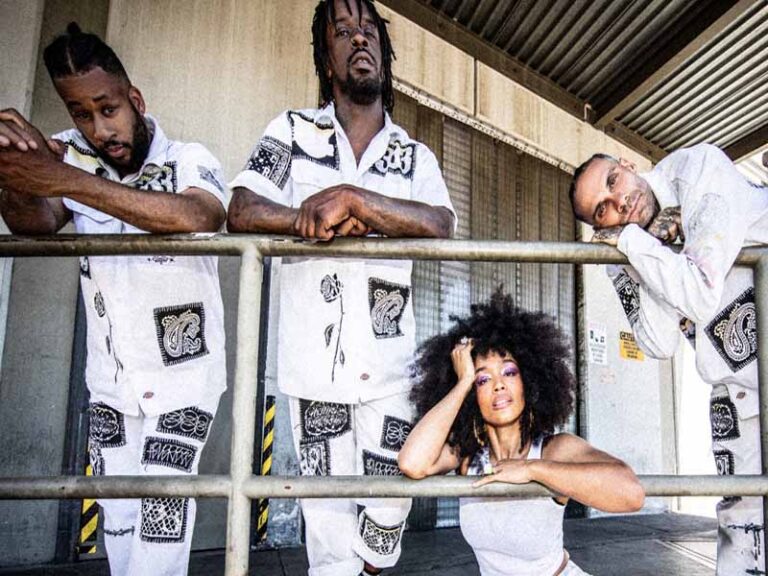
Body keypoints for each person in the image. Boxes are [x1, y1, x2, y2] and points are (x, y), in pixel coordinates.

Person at [226, 0, 455, 573]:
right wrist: (307, 218)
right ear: (326, 59)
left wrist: (356, 201)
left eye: (369, 30)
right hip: (313, 373)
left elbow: (439, 223)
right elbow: (242, 209)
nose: (359, 40)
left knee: (390, 506)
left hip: (391, 370)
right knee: (327, 531)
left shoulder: (413, 155)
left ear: (384, 51)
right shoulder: (291, 131)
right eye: (344, 32)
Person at [0, 24, 228, 576]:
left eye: (108, 109)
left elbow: (198, 215)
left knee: (159, 531)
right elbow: (34, 222)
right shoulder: (71, 157)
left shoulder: (187, 158)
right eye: (81, 115)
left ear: (135, 100)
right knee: (120, 530)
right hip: (111, 382)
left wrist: (64, 178)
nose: (100, 129)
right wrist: (16, 170)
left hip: (183, 382)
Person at [570, 145, 767, 575]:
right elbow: (658, 342)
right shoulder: (628, 248)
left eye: (612, 181)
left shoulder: (696, 171)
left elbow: (699, 293)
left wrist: (635, 242)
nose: (618, 202)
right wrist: (644, 249)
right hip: (734, 391)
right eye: (602, 210)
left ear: (627, 164)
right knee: (741, 532)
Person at [398, 290, 644, 576]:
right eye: (483, 379)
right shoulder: (468, 458)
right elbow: (412, 463)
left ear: (529, 381)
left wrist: (531, 470)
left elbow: (632, 494)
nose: (498, 385)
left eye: (509, 372)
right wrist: (463, 382)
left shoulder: (553, 450)